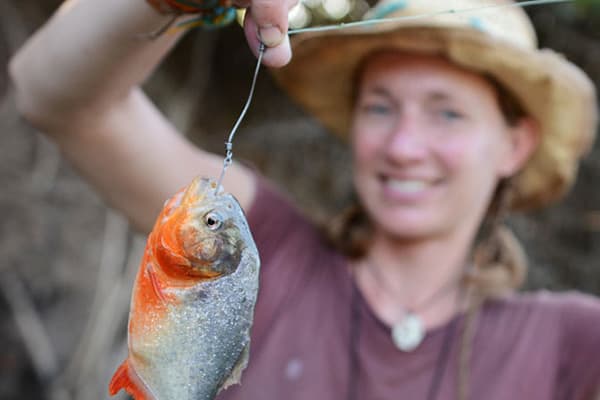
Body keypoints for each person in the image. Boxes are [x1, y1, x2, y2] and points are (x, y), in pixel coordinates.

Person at [9, 0, 600, 398]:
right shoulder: (260, 252)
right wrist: (169, 0)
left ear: (514, 145)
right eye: (380, 106)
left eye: (447, 112)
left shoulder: (574, 342)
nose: (403, 145)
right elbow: (53, 96)